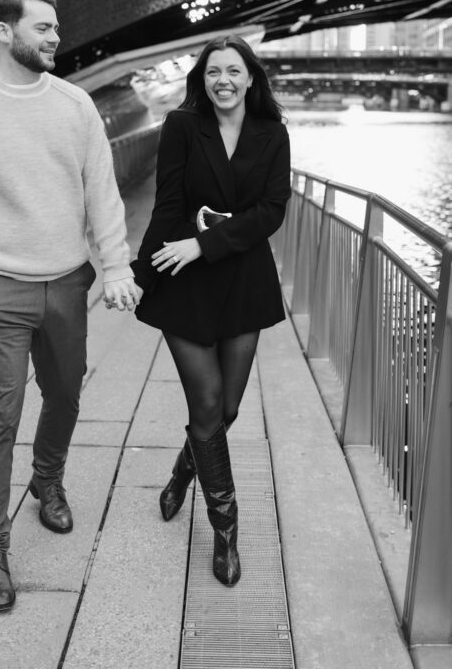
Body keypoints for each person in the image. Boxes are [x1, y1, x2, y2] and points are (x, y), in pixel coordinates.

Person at [0, 0, 140, 613]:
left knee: (67, 394)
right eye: (42, 28)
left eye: (55, 28)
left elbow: (102, 189)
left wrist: (116, 263)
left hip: (69, 282)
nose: (55, 38)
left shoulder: (74, 105)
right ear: (3, 31)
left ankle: (48, 481)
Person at [131, 35, 290, 588]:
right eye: (214, 71)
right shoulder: (181, 127)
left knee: (225, 411)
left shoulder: (273, 134)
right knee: (206, 402)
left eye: (234, 70)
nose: (223, 79)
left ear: (251, 78)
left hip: (243, 280)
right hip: (186, 284)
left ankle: (182, 473)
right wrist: (138, 276)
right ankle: (226, 532)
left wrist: (206, 242)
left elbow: (272, 210)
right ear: (203, 78)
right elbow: (168, 204)